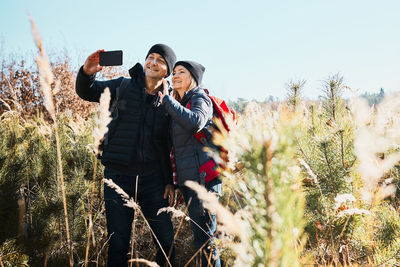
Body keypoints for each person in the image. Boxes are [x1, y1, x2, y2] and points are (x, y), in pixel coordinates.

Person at [75, 44, 176, 267]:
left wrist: (169, 181)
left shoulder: (169, 102)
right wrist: (87, 72)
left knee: (166, 241)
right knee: (118, 243)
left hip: (153, 181)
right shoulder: (123, 85)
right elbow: (87, 91)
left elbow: (166, 145)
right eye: (151, 57)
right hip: (117, 176)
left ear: (167, 71)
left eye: (160, 60)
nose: (153, 62)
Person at [158, 61, 222, 267]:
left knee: (206, 241)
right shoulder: (182, 102)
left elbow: (196, 121)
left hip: (204, 181)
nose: (175, 76)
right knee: (202, 239)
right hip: (191, 181)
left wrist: (168, 100)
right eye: (174, 72)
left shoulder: (199, 96)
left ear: (193, 78)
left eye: (181, 72)